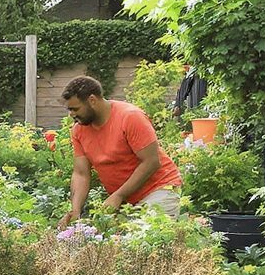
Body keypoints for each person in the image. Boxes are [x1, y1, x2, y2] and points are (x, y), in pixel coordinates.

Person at [58, 75, 183, 227]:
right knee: (113, 242)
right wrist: (75, 210)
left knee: (142, 239)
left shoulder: (130, 117)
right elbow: (81, 173)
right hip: (127, 199)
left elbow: (152, 161)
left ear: (92, 100)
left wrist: (119, 195)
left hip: (159, 189)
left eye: (75, 109)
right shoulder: (79, 130)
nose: (71, 114)